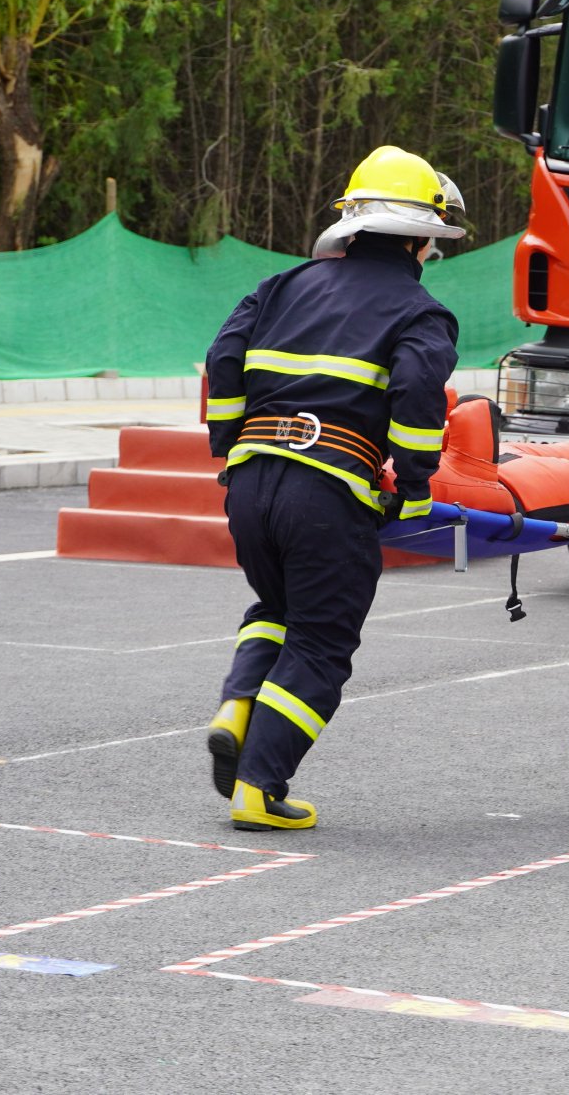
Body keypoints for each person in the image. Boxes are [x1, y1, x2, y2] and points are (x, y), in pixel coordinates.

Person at [201, 146, 461, 830]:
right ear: (417, 237)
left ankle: (239, 703)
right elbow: (417, 394)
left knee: (278, 605)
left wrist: (229, 449)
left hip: (250, 482)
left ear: (352, 225)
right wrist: (413, 486)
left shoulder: (282, 286)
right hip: (328, 489)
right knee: (322, 641)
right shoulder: (420, 312)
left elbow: (223, 358)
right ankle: (260, 786)